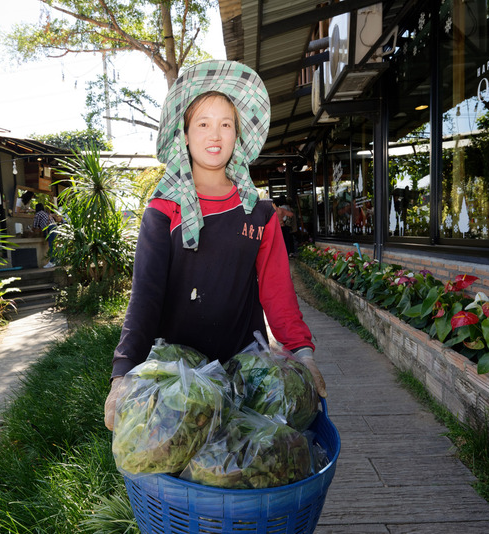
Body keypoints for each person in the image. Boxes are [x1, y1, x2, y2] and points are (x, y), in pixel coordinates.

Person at [104, 60, 327, 431]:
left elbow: (278, 294)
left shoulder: (260, 212)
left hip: (247, 377)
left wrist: (304, 354)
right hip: (176, 384)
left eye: (226, 124)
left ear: (238, 135)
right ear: (185, 135)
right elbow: (145, 298)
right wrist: (122, 375)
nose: (215, 134)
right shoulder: (164, 211)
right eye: (203, 124)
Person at [32, 203, 57, 268]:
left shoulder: (38, 214)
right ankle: (56, 261)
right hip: (56, 227)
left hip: (50, 228)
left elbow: (35, 226)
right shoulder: (46, 213)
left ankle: (51, 262)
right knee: (55, 245)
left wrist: (33, 231)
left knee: (51, 245)